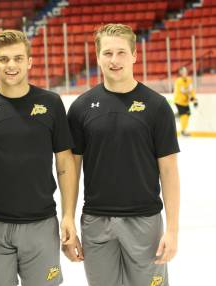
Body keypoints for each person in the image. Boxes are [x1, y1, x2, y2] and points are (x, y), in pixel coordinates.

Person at [67, 23, 180, 286]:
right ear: (97, 57)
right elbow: (70, 169)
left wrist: (172, 230)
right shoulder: (81, 107)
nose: (114, 60)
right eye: (107, 53)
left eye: (121, 53)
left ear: (134, 55)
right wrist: (68, 219)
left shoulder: (157, 106)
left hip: (144, 221)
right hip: (96, 221)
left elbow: (169, 171)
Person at [0, 30, 83, 286]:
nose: (11, 65)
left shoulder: (51, 103)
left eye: (18, 58)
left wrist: (68, 215)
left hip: (41, 224)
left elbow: (65, 162)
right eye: (4, 59)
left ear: (29, 61)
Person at [174, 66, 198, 136]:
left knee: (187, 114)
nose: (185, 72)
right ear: (180, 73)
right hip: (179, 101)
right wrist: (191, 96)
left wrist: (194, 100)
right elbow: (183, 90)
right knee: (184, 115)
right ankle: (183, 131)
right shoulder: (178, 81)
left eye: (185, 71)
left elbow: (191, 90)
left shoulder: (189, 79)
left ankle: (178, 115)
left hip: (185, 102)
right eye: (183, 71)